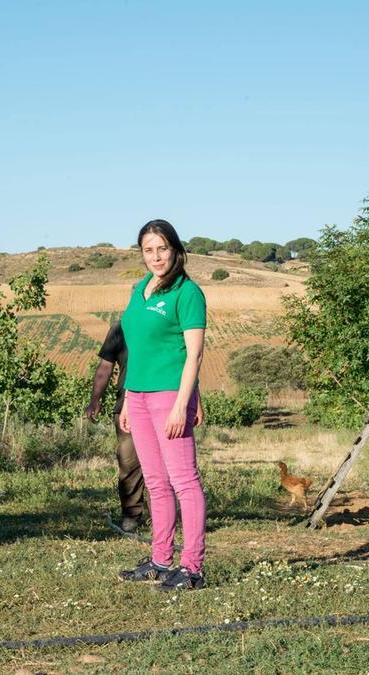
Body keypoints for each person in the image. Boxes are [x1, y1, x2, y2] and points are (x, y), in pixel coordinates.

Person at [116, 219, 208, 592]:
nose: (156, 256)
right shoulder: (140, 289)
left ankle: (192, 567)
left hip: (170, 396)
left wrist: (182, 404)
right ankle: (159, 559)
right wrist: (126, 398)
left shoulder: (188, 293)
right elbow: (136, 349)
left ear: (175, 250)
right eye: (148, 250)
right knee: (155, 482)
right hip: (136, 396)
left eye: (162, 248)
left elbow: (195, 354)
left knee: (184, 481)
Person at [85, 321, 147, 533]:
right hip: (126, 407)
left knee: (167, 465)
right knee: (129, 463)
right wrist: (95, 399)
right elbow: (105, 366)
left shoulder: (168, 323)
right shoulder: (121, 329)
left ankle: (164, 515)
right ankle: (131, 514)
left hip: (163, 402)